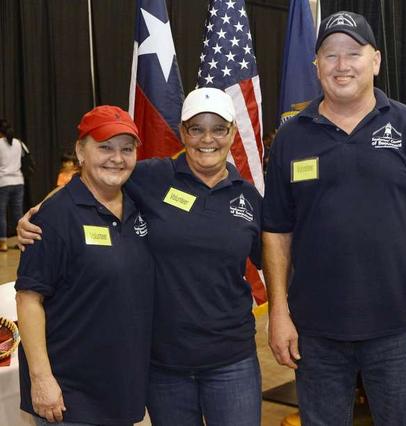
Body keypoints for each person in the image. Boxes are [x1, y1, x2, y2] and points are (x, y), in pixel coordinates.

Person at [18, 87, 263, 426]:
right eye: (196, 128)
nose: (208, 139)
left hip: (231, 360)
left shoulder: (248, 197)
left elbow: (275, 258)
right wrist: (39, 211)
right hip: (163, 366)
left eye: (218, 129)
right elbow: (88, 184)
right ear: (183, 133)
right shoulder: (150, 177)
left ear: (233, 133)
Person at [262, 10, 406, 425]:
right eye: (330, 55)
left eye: (353, 53)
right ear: (316, 65)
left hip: (398, 329)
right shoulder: (291, 137)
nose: (342, 65)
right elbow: (276, 231)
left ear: (376, 61)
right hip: (316, 331)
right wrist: (278, 311)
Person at [15, 106, 155, 425]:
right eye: (105, 147)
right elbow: (28, 299)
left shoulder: (139, 204)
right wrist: (41, 379)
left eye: (127, 149)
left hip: (121, 389)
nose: (116, 158)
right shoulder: (54, 217)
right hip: (71, 397)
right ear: (81, 151)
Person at [0, 118, 25, 251]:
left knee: (1, 214)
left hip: (3, 182)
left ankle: (3, 243)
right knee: (18, 214)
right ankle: (22, 241)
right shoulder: (18, 143)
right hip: (18, 181)